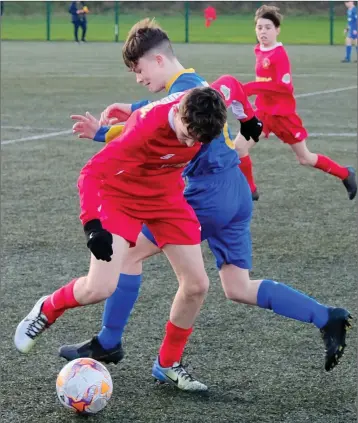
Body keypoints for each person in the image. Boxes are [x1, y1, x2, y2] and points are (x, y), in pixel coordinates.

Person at [58, 20, 352, 392]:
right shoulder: (204, 85)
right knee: (238, 286)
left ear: (159, 60)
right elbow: (227, 89)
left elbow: (151, 123)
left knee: (129, 255)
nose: (138, 78)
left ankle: (111, 341)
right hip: (237, 192)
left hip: (205, 196)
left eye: (139, 70)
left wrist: (101, 132)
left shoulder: (181, 98)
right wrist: (250, 120)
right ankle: (326, 317)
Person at [14, 83, 231, 394]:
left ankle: (167, 364)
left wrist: (248, 119)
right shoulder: (144, 130)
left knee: (197, 285)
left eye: (198, 139)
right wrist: (93, 226)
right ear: (180, 114)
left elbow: (213, 89)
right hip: (121, 197)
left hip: (166, 198)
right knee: (99, 287)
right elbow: (91, 173)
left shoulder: (203, 107)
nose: (191, 142)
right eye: (187, 134)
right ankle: (47, 309)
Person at [234, 5, 357, 202]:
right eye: (259, 27)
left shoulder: (279, 55)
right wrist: (252, 91)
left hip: (283, 116)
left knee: (304, 158)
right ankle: (251, 190)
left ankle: (346, 174)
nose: (263, 32)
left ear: (277, 30)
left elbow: (283, 87)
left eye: (267, 27)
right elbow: (264, 83)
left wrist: (251, 87)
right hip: (264, 114)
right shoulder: (259, 49)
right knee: (239, 147)